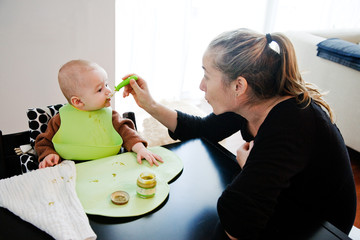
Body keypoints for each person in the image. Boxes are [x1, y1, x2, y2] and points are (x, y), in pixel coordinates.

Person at [123, 29, 356, 239]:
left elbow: (238, 223)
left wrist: (249, 166)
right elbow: (202, 130)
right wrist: (149, 104)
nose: (201, 86)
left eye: (207, 75)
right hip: (283, 197)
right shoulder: (253, 99)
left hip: (317, 224)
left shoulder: (290, 124)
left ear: (238, 86)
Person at [35, 59, 162, 169]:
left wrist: (141, 149)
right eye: (100, 89)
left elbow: (128, 134)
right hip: (75, 171)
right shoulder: (60, 119)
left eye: (106, 84)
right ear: (78, 101)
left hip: (110, 166)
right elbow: (44, 142)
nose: (108, 90)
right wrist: (49, 154)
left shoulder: (111, 116)